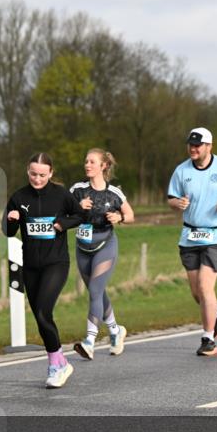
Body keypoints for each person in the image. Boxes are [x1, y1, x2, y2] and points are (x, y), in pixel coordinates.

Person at [3, 153, 84, 388]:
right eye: (33, 174)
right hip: (30, 266)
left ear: (50, 173)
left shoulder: (61, 194)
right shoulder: (19, 197)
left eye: (42, 175)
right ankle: (60, 362)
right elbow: (8, 232)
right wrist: (12, 220)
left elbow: (80, 215)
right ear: (27, 172)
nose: (37, 179)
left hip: (56, 263)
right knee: (41, 317)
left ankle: (55, 366)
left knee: (42, 312)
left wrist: (62, 224)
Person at [167, 127, 217, 357]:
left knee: (205, 286)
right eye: (190, 144)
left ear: (209, 146)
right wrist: (178, 203)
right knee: (197, 293)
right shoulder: (181, 170)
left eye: (198, 145)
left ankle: (208, 339)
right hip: (190, 236)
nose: (193, 148)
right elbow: (171, 198)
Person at [70, 149, 134, 360]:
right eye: (86, 161)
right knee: (96, 291)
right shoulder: (77, 190)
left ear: (103, 166)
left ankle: (90, 341)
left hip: (105, 244)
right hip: (82, 247)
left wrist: (119, 218)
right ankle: (115, 330)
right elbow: (63, 213)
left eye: (92, 162)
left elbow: (130, 215)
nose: (87, 165)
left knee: (95, 290)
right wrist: (77, 208)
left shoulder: (114, 193)